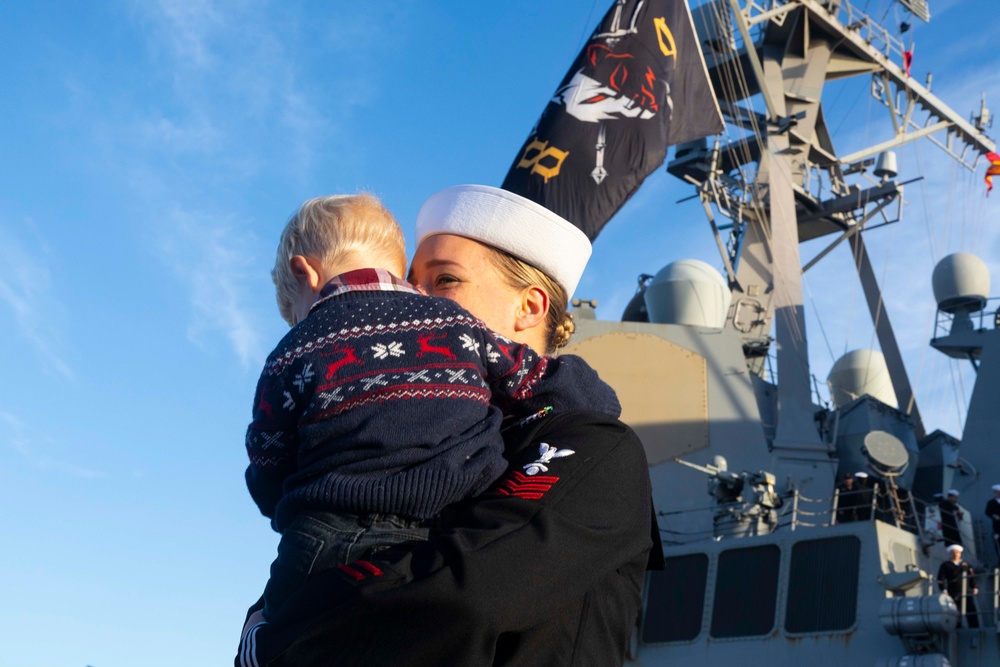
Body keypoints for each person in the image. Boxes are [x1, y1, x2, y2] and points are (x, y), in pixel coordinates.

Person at [237, 185, 659, 666]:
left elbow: (468, 595)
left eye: (443, 281)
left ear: (531, 306)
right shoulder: (441, 440)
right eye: (409, 282)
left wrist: (280, 628)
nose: (411, 299)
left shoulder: (593, 444)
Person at [937, 544, 979, 628]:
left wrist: (975, 587)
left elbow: (972, 577)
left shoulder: (966, 565)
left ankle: (975, 627)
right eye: (953, 552)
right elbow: (941, 578)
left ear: (960, 554)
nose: (956, 554)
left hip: (967, 591)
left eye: (957, 552)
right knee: (956, 612)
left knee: (971, 611)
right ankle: (957, 629)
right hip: (954, 592)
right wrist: (944, 589)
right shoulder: (946, 565)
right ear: (950, 554)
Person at [984, 484, 1000, 558]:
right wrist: (993, 515)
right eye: (997, 492)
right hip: (996, 527)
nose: (998, 493)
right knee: (998, 546)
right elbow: (987, 512)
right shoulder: (991, 503)